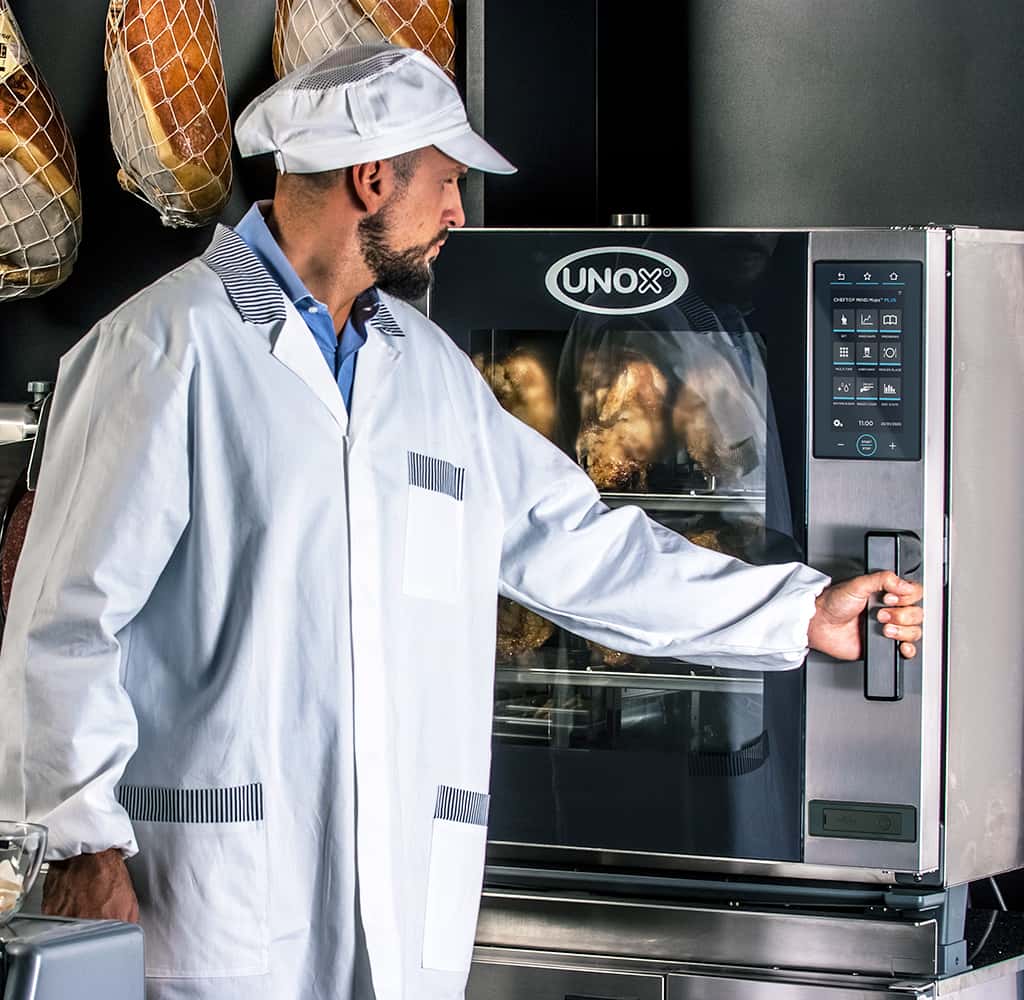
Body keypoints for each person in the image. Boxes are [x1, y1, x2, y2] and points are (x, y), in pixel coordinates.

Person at [0, 42, 923, 1000]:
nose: (457, 212)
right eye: (445, 183)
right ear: (370, 178)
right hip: (210, 896)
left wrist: (793, 615)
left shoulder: (430, 371)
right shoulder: (162, 347)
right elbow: (64, 623)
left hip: (398, 904)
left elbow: (577, 545)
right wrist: (78, 844)